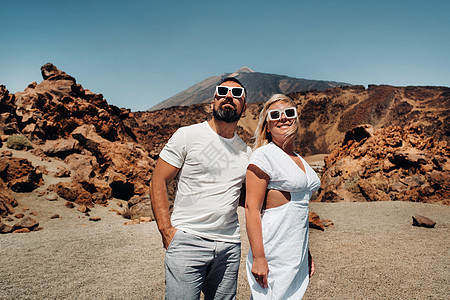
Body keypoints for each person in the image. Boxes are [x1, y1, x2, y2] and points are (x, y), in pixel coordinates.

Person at [150, 77, 252, 300]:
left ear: (244, 109)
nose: (229, 96)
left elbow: (246, 197)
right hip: (187, 241)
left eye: (237, 95)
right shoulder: (187, 135)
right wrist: (166, 230)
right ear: (213, 101)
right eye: (223, 91)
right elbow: (158, 180)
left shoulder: (246, 152)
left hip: (228, 246)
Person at [245, 94, 321, 299]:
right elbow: (252, 210)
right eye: (275, 114)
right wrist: (259, 257)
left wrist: (306, 252)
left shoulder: (298, 159)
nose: (283, 118)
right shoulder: (263, 156)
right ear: (267, 126)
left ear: (296, 119)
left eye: (289, 113)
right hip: (273, 251)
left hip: (295, 252)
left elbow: (299, 212)